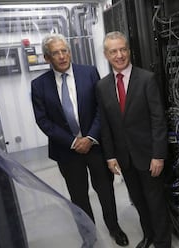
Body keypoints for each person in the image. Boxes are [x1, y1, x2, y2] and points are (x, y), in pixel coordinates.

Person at [31, 33, 129, 247]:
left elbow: (100, 109)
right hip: (67, 151)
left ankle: (114, 228)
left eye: (64, 51)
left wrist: (90, 137)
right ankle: (88, 235)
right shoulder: (39, 85)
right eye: (55, 53)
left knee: (105, 190)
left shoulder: (89, 73)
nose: (62, 56)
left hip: (94, 146)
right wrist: (73, 142)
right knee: (78, 196)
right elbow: (43, 121)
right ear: (47, 58)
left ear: (70, 52)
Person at [96, 31, 171, 248]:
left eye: (123, 49)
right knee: (139, 201)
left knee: (155, 203)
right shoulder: (102, 87)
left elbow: (158, 120)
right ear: (106, 55)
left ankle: (163, 243)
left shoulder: (146, 79)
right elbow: (106, 125)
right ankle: (149, 236)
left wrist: (158, 155)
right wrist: (110, 156)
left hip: (149, 156)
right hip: (124, 158)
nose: (119, 55)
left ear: (128, 50)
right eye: (113, 51)